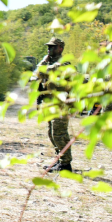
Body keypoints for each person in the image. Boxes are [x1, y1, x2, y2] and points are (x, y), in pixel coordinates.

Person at [31, 37, 73, 172]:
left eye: (52, 47)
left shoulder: (64, 63)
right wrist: (44, 60)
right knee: (51, 133)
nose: (49, 49)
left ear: (60, 48)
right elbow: (35, 75)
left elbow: (43, 72)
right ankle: (59, 160)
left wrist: (44, 64)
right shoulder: (49, 62)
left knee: (59, 134)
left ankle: (66, 164)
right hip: (49, 102)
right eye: (48, 47)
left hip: (60, 103)